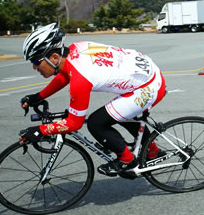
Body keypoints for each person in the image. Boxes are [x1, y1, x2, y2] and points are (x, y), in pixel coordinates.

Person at [18, 23, 167, 177]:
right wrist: (38, 97)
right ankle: (153, 151)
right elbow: (65, 75)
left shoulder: (80, 79)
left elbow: (74, 123)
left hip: (149, 87)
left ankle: (127, 160)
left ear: (55, 57)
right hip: (147, 73)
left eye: (35, 62)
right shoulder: (75, 49)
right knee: (120, 114)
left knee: (97, 123)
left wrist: (39, 131)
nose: (34, 67)